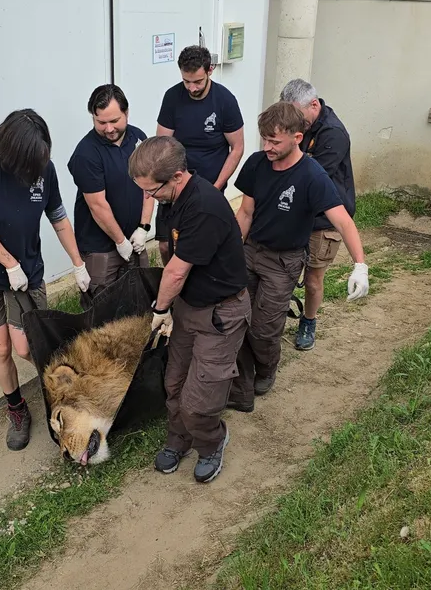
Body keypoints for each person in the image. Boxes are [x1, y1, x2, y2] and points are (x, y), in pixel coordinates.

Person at [0, 108, 91, 452]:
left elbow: (58, 217)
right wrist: (8, 263)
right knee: (1, 349)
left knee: (28, 346)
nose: (36, 167)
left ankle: (69, 392)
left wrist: (78, 264)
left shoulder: (44, 168)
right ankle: (16, 409)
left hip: (27, 270)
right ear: (11, 152)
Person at [228, 102, 369, 412]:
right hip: (251, 250)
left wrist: (360, 264)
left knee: (265, 327)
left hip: (284, 260)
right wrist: (232, 250)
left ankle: (267, 368)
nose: (267, 146)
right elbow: (246, 212)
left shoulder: (312, 176)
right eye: (264, 139)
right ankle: (242, 373)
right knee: (239, 316)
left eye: (274, 141)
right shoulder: (256, 164)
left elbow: (343, 221)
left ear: (297, 137)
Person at [130, 136, 249, 484]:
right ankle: (179, 438)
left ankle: (212, 440)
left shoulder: (204, 207)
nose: (150, 199)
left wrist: (160, 309)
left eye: (152, 191)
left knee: (200, 399)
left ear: (178, 176)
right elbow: (169, 249)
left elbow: (177, 270)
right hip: (189, 306)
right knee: (174, 382)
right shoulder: (171, 199)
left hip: (220, 314)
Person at [279, 79, 358, 351]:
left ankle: (308, 322)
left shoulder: (334, 134)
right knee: (282, 273)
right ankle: (274, 320)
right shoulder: (303, 124)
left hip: (324, 219)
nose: (295, 124)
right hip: (297, 211)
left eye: (298, 117)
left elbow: (309, 177)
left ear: (314, 105)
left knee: (313, 280)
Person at [154, 45, 245, 264]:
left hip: (209, 185)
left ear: (210, 70)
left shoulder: (225, 100)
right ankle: (172, 286)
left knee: (201, 245)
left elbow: (237, 148)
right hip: (175, 185)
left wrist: (217, 187)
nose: (192, 88)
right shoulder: (172, 97)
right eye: (187, 82)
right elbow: (162, 144)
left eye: (198, 82)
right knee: (166, 245)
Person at [67, 84, 152, 301]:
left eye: (114, 121)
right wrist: (120, 241)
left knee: (140, 296)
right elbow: (98, 205)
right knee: (102, 305)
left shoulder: (138, 138)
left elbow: (150, 187)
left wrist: (144, 226)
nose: (109, 129)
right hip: (100, 247)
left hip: (135, 238)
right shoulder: (86, 153)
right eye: (101, 122)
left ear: (126, 113)